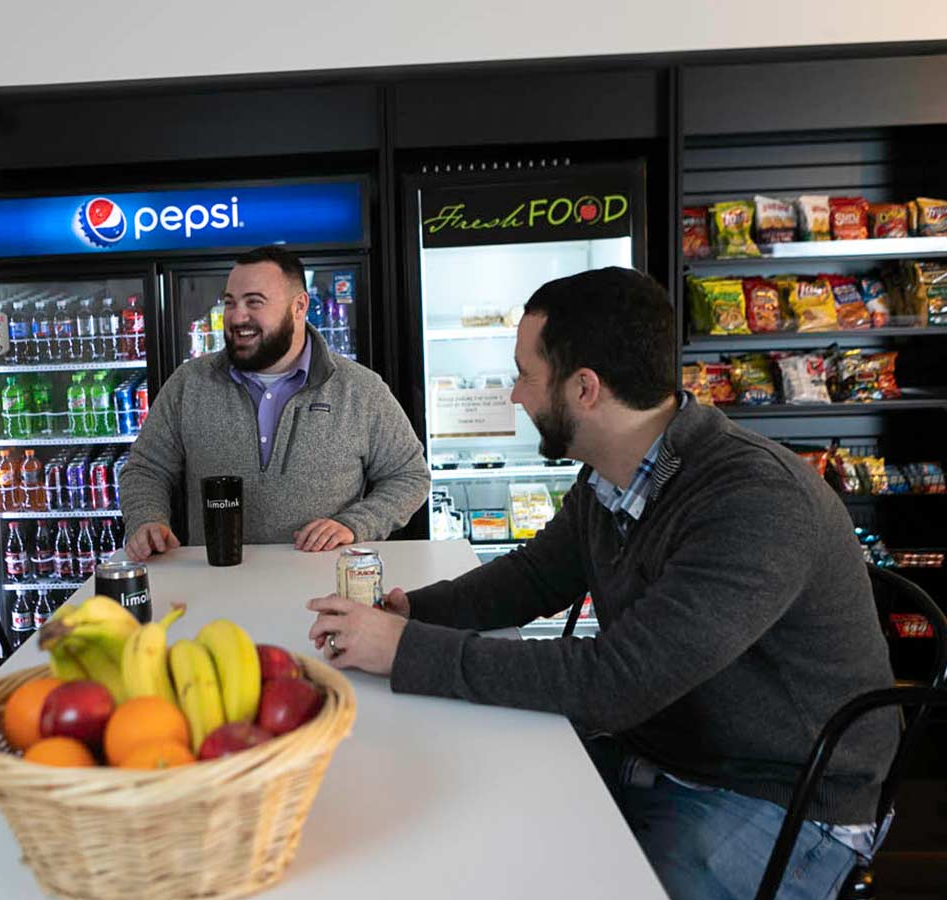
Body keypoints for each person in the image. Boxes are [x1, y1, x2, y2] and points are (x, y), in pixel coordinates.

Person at [305, 267, 898, 900]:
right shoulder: (612, 474)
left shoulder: (754, 502)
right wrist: (409, 611)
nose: (515, 396)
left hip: (781, 798)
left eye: (526, 376)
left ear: (584, 389)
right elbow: (533, 578)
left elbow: (618, 680)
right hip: (664, 753)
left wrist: (405, 649)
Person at [120, 245, 429, 561]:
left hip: (327, 589)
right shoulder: (189, 383)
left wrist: (354, 524)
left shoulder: (360, 389)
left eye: (254, 302)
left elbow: (409, 476)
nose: (237, 317)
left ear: (299, 306)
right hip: (218, 587)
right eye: (229, 303)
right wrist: (147, 519)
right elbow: (146, 469)